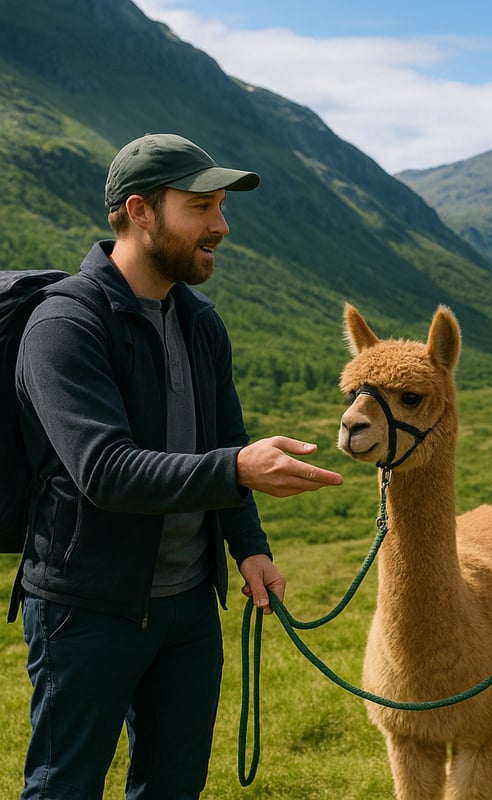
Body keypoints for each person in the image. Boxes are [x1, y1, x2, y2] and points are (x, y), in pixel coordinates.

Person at [14, 133, 345, 798]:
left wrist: (248, 546)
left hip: (190, 609)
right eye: (201, 207)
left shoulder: (200, 321)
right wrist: (239, 471)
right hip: (87, 610)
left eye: (221, 208)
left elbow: (224, 437)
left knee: (174, 788)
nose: (220, 226)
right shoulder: (64, 326)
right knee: (64, 787)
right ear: (139, 211)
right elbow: (105, 470)